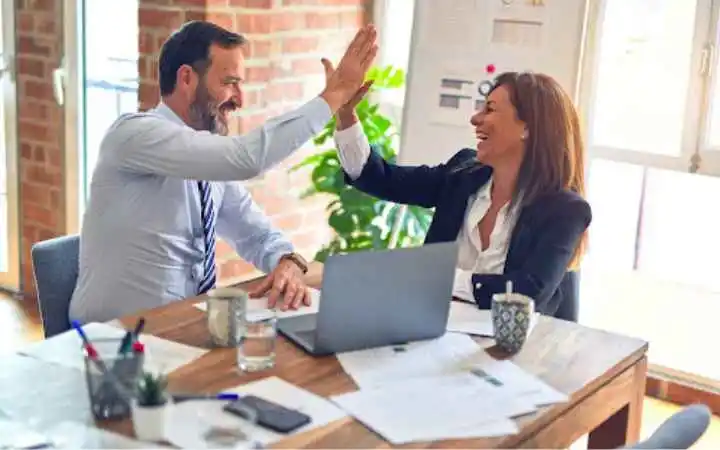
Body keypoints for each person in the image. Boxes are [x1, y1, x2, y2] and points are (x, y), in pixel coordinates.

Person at [69, 21, 378, 324]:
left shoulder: (207, 159)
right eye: (230, 82)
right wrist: (334, 95)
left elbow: (255, 233)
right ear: (187, 78)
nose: (239, 100)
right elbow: (246, 159)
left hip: (182, 329)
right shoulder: (135, 135)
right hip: (112, 341)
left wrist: (288, 261)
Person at [326, 64, 591, 321]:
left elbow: (529, 292)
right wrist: (346, 114)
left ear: (527, 127)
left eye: (490, 109)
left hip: (515, 350)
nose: (475, 119)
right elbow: (378, 177)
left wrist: (439, 278)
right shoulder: (463, 174)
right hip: (434, 332)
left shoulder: (565, 210)